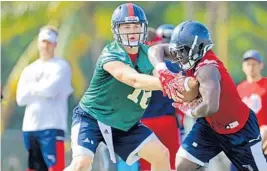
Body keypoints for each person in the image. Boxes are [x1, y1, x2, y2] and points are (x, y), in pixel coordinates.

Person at [64, 3, 181, 171]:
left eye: (136, 26)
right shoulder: (111, 53)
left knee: (161, 154)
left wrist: (183, 86)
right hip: (92, 118)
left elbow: (159, 74)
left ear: (143, 28)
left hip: (125, 124)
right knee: (81, 164)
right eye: (126, 26)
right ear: (116, 30)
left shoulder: (148, 53)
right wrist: (171, 83)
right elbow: (133, 79)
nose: (132, 31)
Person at [148, 20, 267, 171]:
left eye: (182, 50)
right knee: (183, 165)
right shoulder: (189, 54)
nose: (178, 55)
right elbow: (155, 50)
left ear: (197, 48)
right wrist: (161, 69)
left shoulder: (208, 68)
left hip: (240, 129)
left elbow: (211, 106)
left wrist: (190, 110)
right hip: (211, 126)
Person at [16, 25, 73, 171]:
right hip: (30, 127)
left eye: (49, 42)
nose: (46, 45)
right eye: (43, 41)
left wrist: (32, 88)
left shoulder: (61, 66)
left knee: (55, 168)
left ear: (55, 44)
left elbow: (50, 91)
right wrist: (41, 88)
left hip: (52, 127)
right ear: (38, 43)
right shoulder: (29, 69)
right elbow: (21, 98)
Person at [139, 25, 181, 171]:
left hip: (143, 122)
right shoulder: (169, 65)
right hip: (167, 120)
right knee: (171, 164)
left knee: (148, 165)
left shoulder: (135, 67)